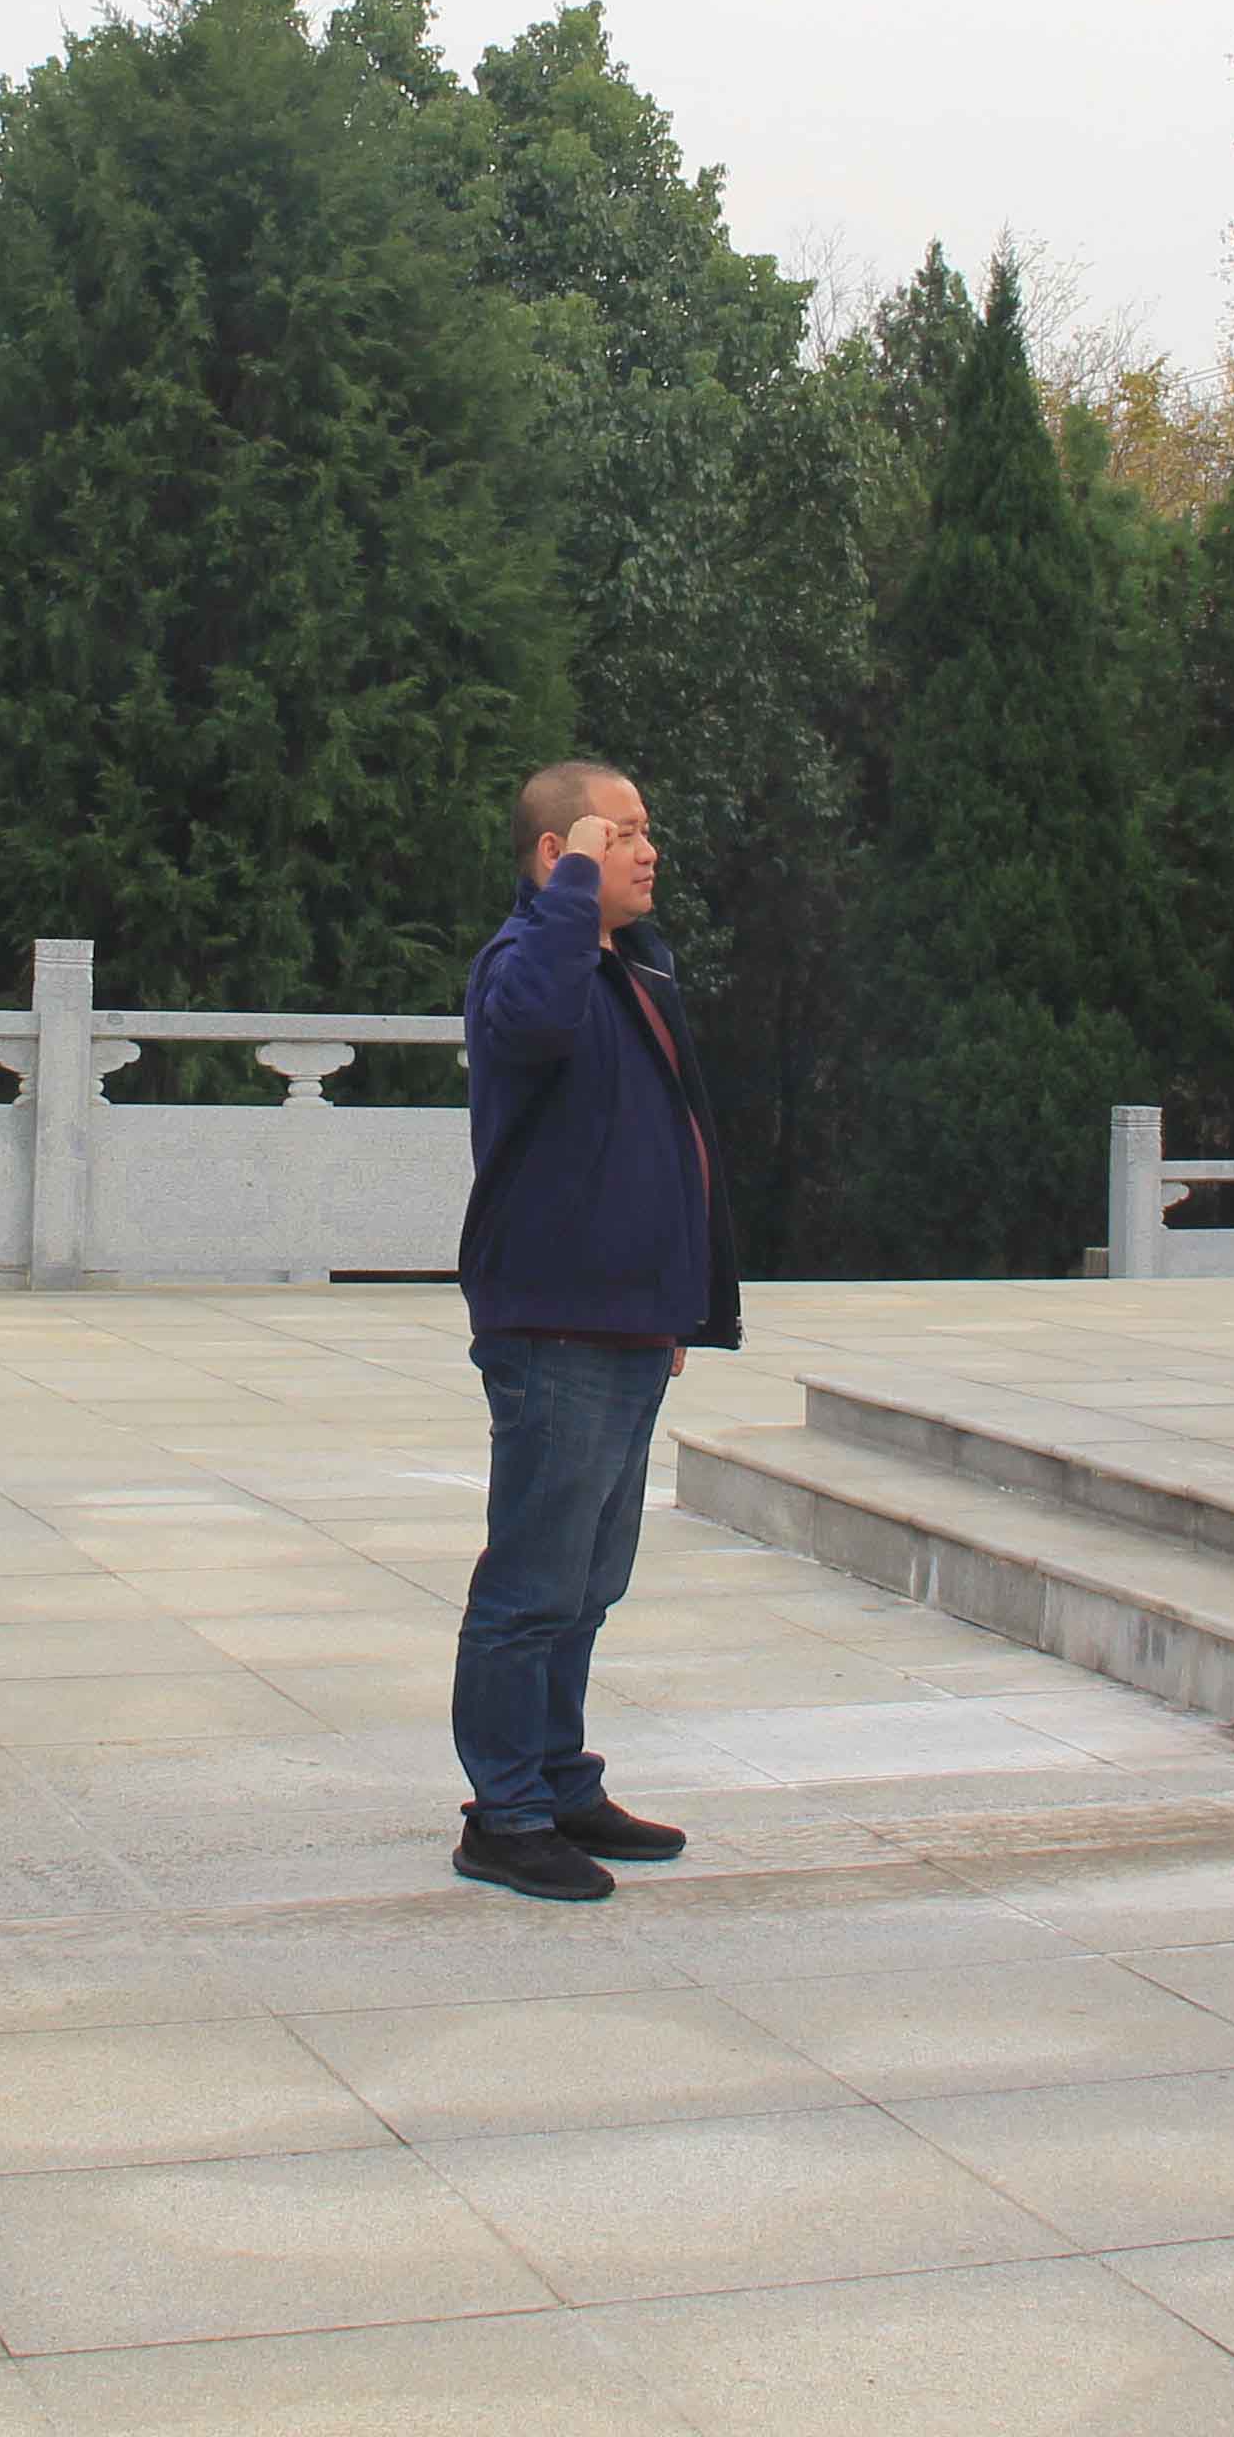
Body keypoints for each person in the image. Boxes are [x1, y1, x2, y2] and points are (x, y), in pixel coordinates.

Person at [449, 760, 737, 1904]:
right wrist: (570, 893)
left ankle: (561, 1780)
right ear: (557, 859)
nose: (647, 851)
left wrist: (676, 1305)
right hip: (553, 1323)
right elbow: (534, 1024)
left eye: (645, 831)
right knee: (531, 1582)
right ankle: (504, 1812)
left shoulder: (635, 968)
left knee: (590, 1578)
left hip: (626, 1321)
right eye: (619, 834)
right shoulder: (530, 963)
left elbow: (664, 1148)